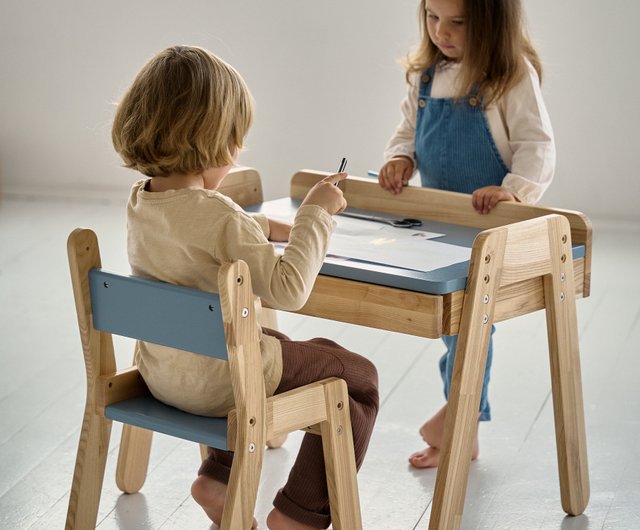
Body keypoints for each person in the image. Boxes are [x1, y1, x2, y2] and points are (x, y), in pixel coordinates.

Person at [112, 45, 379, 530]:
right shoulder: (221, 217)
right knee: (357, 379)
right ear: (211, 139)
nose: (236, 156)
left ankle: (218, 478)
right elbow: (289, 289)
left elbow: (197, 238)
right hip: (223, 386)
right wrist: (316, 214)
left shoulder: (141, 202)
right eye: (236, 142)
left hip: (165, 372)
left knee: (285, 347)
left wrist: (266, 228)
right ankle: (299, 514)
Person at [377, 0, 555, 468]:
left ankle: (463, 417)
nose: (442, 31)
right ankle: (463, 418)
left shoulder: (510, 76)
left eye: (457, 22)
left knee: (472, 323)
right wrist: (401, 158)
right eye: (433, 18)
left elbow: (537, 146)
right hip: (440, 225)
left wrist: (513, 191)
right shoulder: (426, 75)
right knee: (455, 324)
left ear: (493, 25)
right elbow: (408, 131)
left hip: (488, 227)